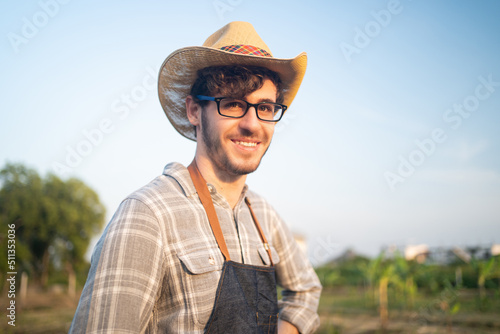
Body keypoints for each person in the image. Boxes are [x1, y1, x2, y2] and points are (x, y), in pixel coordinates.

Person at [70, 21, 321, 334]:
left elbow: (306, 291)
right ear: (193, 111)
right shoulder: (148, 214)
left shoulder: (264, 216)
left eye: (266, 108)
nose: (252, 124)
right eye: (233, 104)